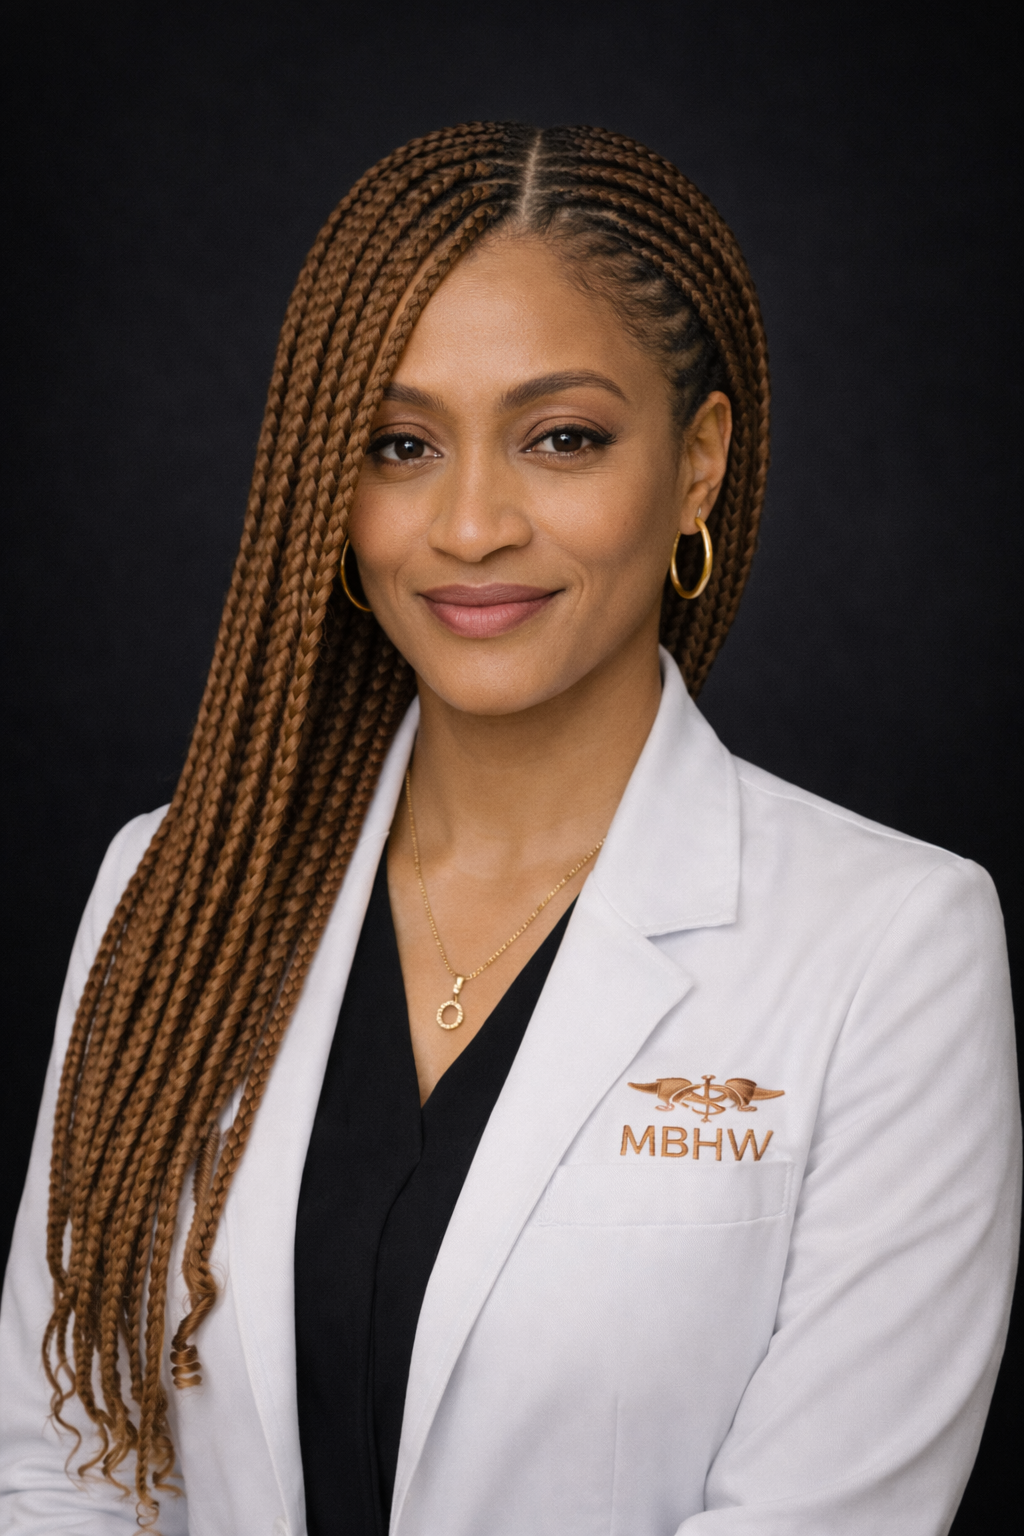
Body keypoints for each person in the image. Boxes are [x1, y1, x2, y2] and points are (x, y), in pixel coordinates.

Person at [0, 123, 1017, 1536]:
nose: (470, 524)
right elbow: (67, 1467)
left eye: (563, 438)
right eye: (400, 445)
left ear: (701, 464)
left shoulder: (893, 944)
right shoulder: (172, 893)